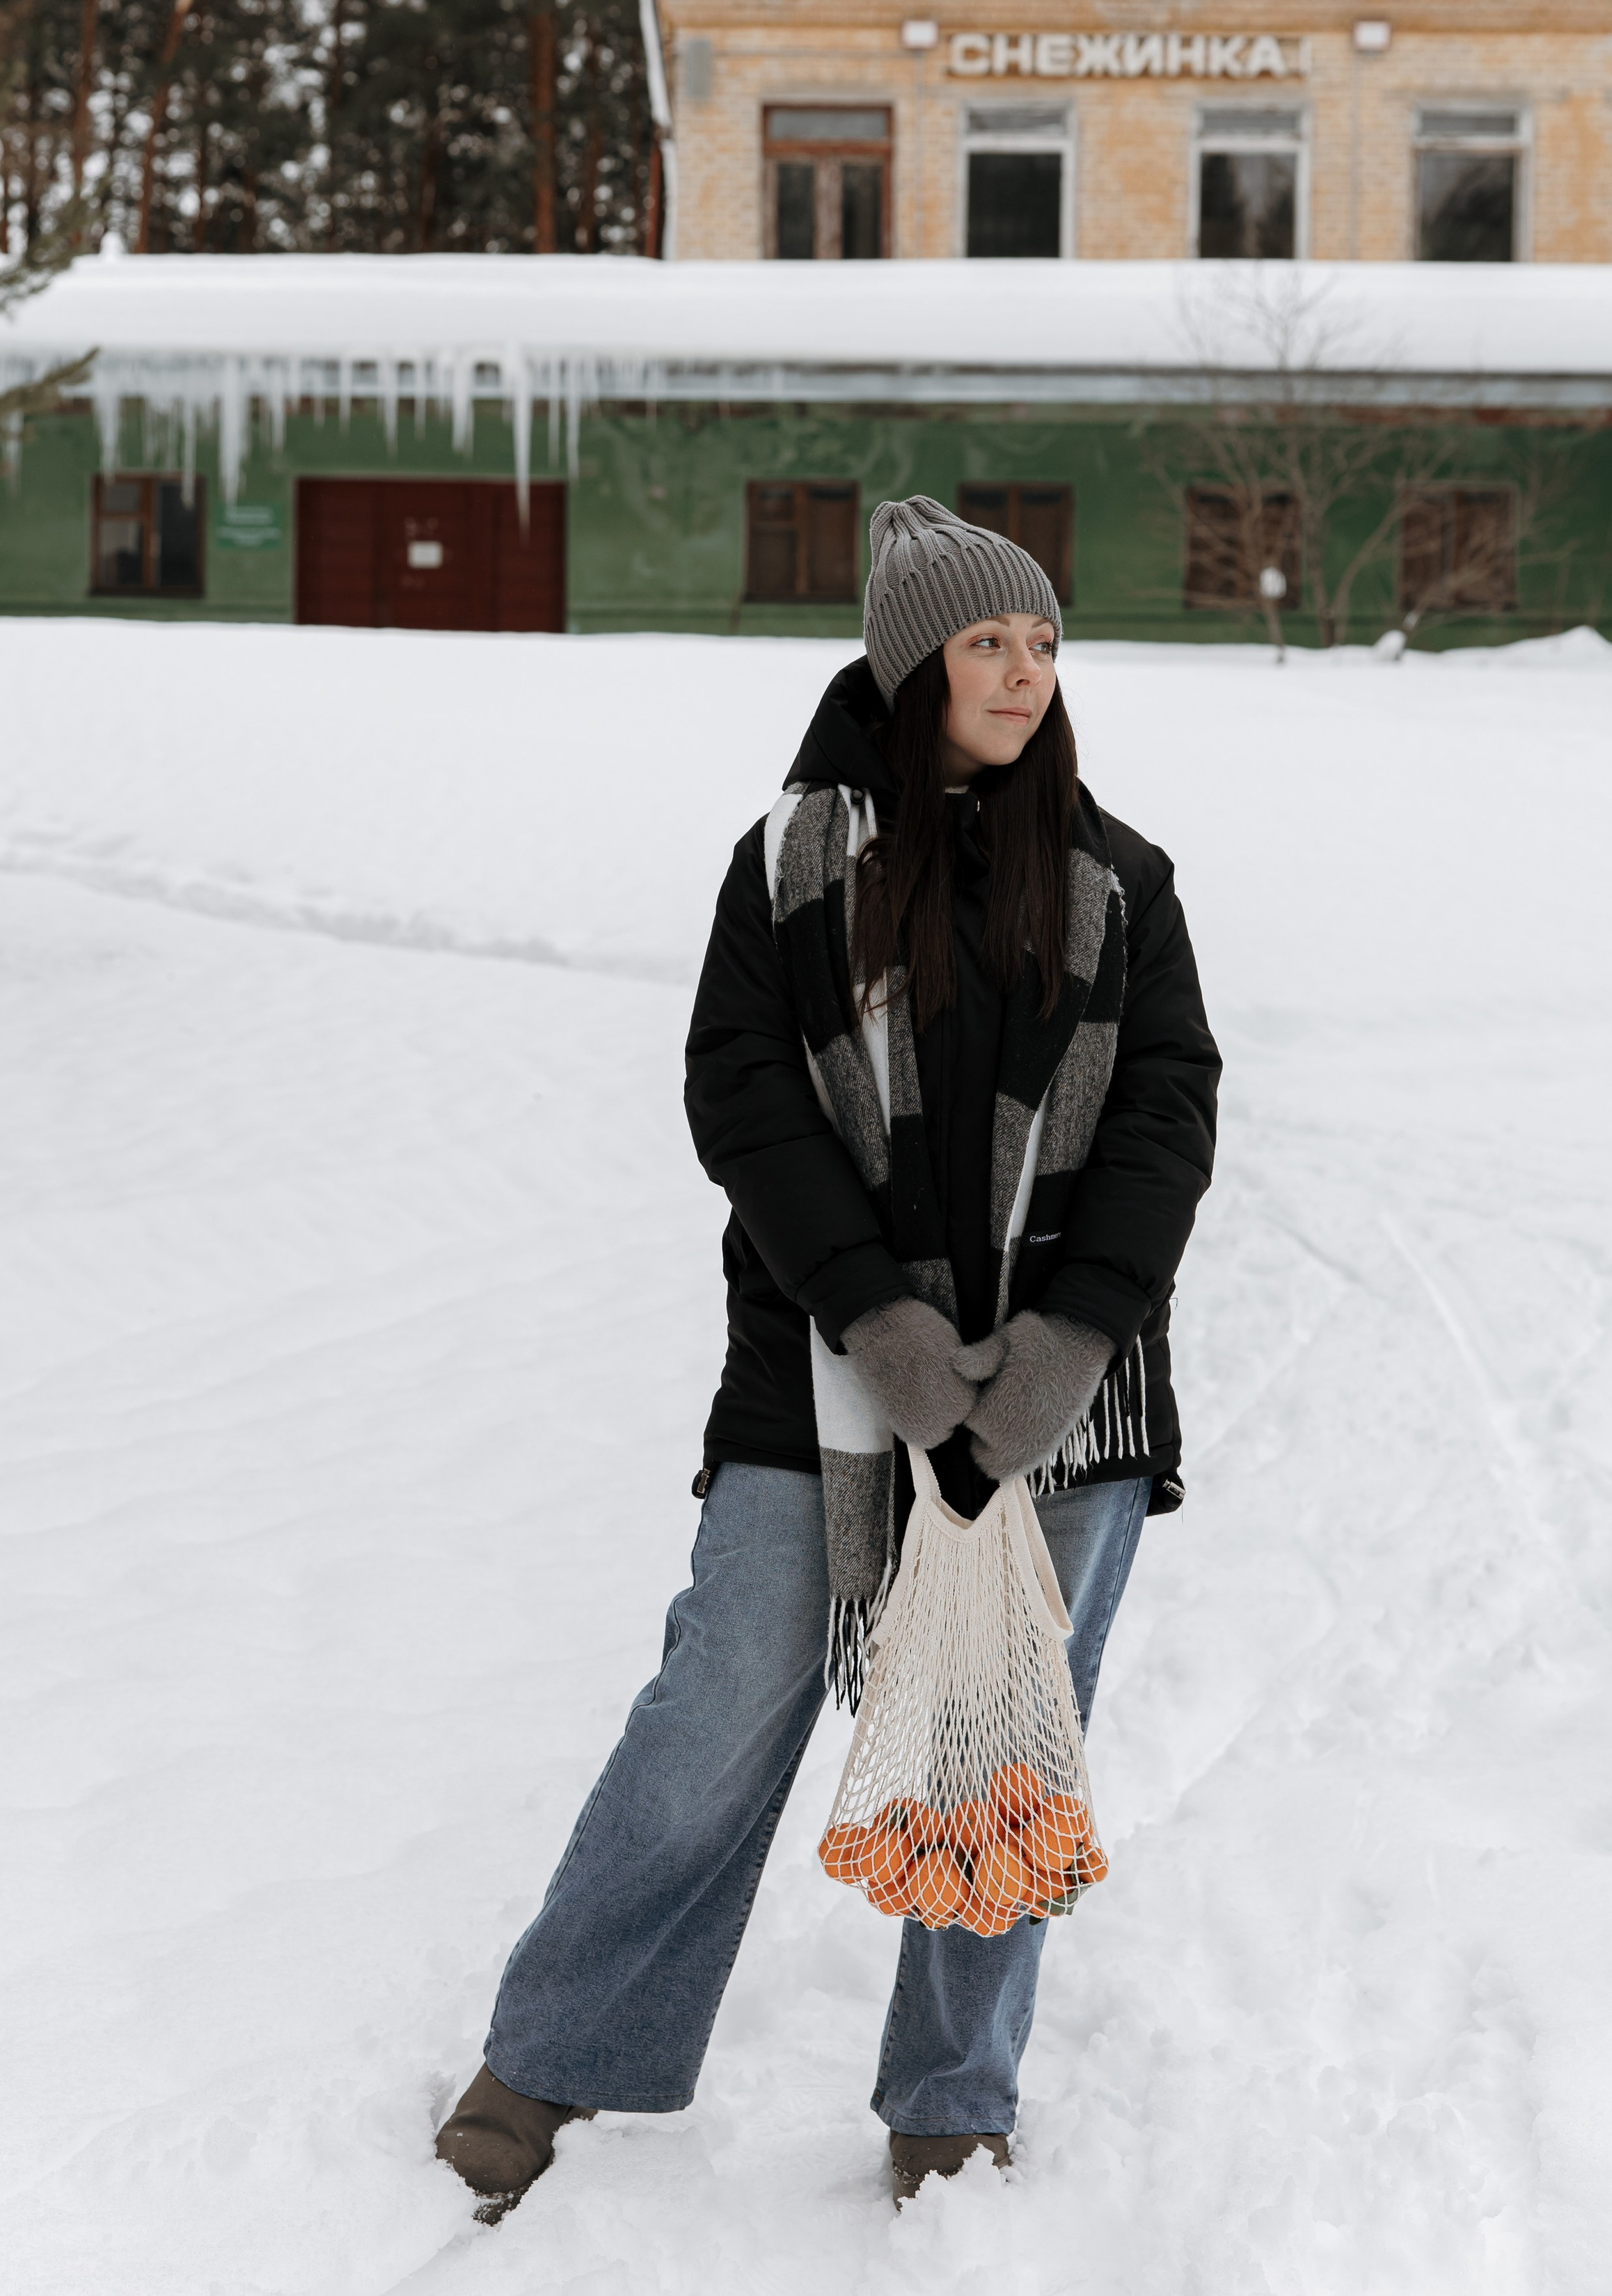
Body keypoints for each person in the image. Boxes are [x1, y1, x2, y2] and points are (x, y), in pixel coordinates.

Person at [434, 495, 1221, 2215]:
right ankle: (552, 2052)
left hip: (1063, 1410)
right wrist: (882, 1324)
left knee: (999, 1741)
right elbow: (746, 1102)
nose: (1021, 673)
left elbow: (1166, 1116)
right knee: (712, 1707)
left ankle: (951, 2093)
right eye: (986, 642)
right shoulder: (792, 868)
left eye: (1041, 645)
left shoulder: (1117, 880)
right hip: (816, 1376)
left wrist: (1059, 1348)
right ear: (908, 661)